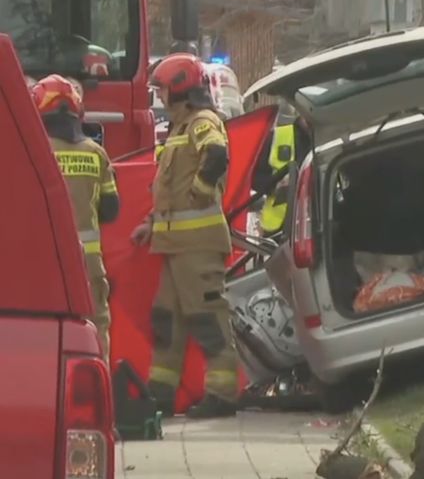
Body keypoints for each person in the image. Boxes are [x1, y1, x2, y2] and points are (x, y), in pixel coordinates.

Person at [131, 52, 238, 419]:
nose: (159, 96)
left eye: (162, 89)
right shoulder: (179, 129)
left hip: (198, 245)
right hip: (176, 246)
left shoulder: (203, 122)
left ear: (179, 88)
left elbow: (217, 155)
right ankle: (160, 394)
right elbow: (169, 189)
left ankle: (222, 395)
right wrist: (151, 223)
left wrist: (201, 191)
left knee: (207, 318)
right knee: (167, 320)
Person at [32, 75, 120, 359]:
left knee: (41, 328)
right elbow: (111, 210)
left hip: (43, 261)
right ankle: (97, 380)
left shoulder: (35, 151)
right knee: (94, 327)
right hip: (88, 262)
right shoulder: (96, 153)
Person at [251, 113, 312, 237]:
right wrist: (276, 185)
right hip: (277, 229)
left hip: (313, 227)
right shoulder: (277, 136)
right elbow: (254, 179)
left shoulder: (329, 138)